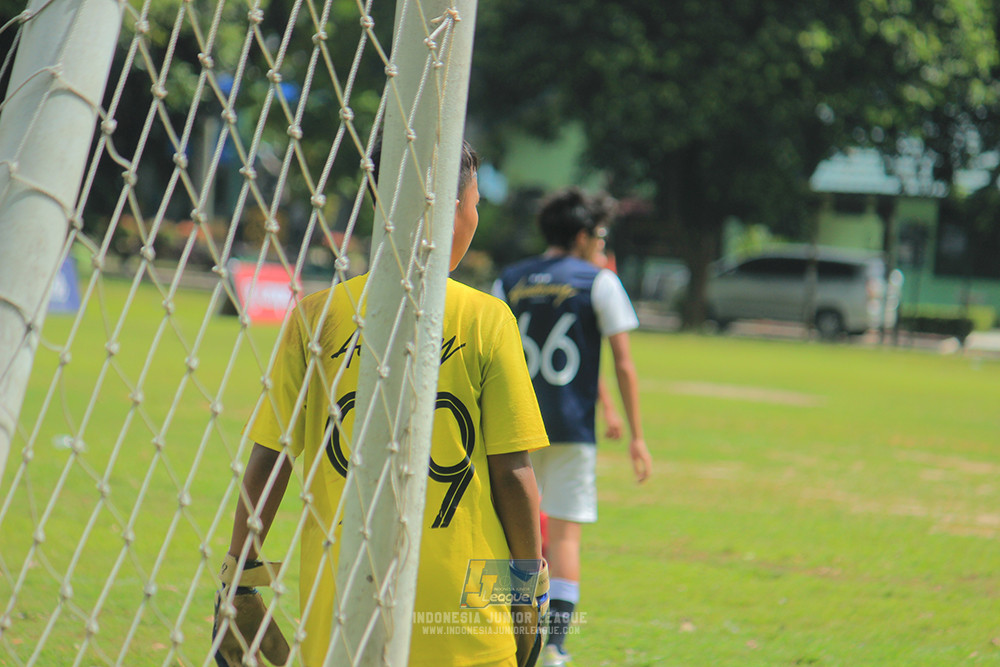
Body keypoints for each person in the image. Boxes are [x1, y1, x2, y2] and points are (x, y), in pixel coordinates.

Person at [213, 140, 550, 667]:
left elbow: (272, 455)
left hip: (344, 601)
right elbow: (511, 473)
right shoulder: (487, 320)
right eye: (477, 203)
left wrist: (241, 571)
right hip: (466, 610)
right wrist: (529, 587)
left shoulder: (316, 316)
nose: (476, 217)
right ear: (455, 209)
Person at [493, 187, 652, 667]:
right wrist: (638, 436)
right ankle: (555, 647)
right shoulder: (598, 282)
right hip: (569, 426)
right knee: (563, 537)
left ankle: (511, 638)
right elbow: (622, 364)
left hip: (512, 427)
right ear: (583, 236)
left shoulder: (509, 279)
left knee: (510, 535)